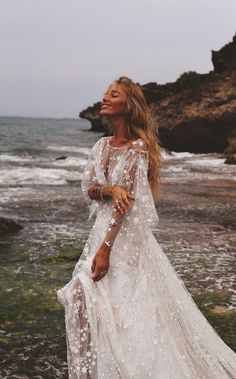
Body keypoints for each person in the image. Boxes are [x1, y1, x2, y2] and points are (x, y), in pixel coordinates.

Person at [57, 76, 236, 378]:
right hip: (101, 232)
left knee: (117, 304)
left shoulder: (137, 148)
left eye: (113, 94)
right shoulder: (101, 145)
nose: (105, 97)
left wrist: (105, 249)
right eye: (105, 93)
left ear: (128, 105)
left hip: (121, 239)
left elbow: (124, 208)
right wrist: (110, 190)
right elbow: (90, 189)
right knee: (88, 298)